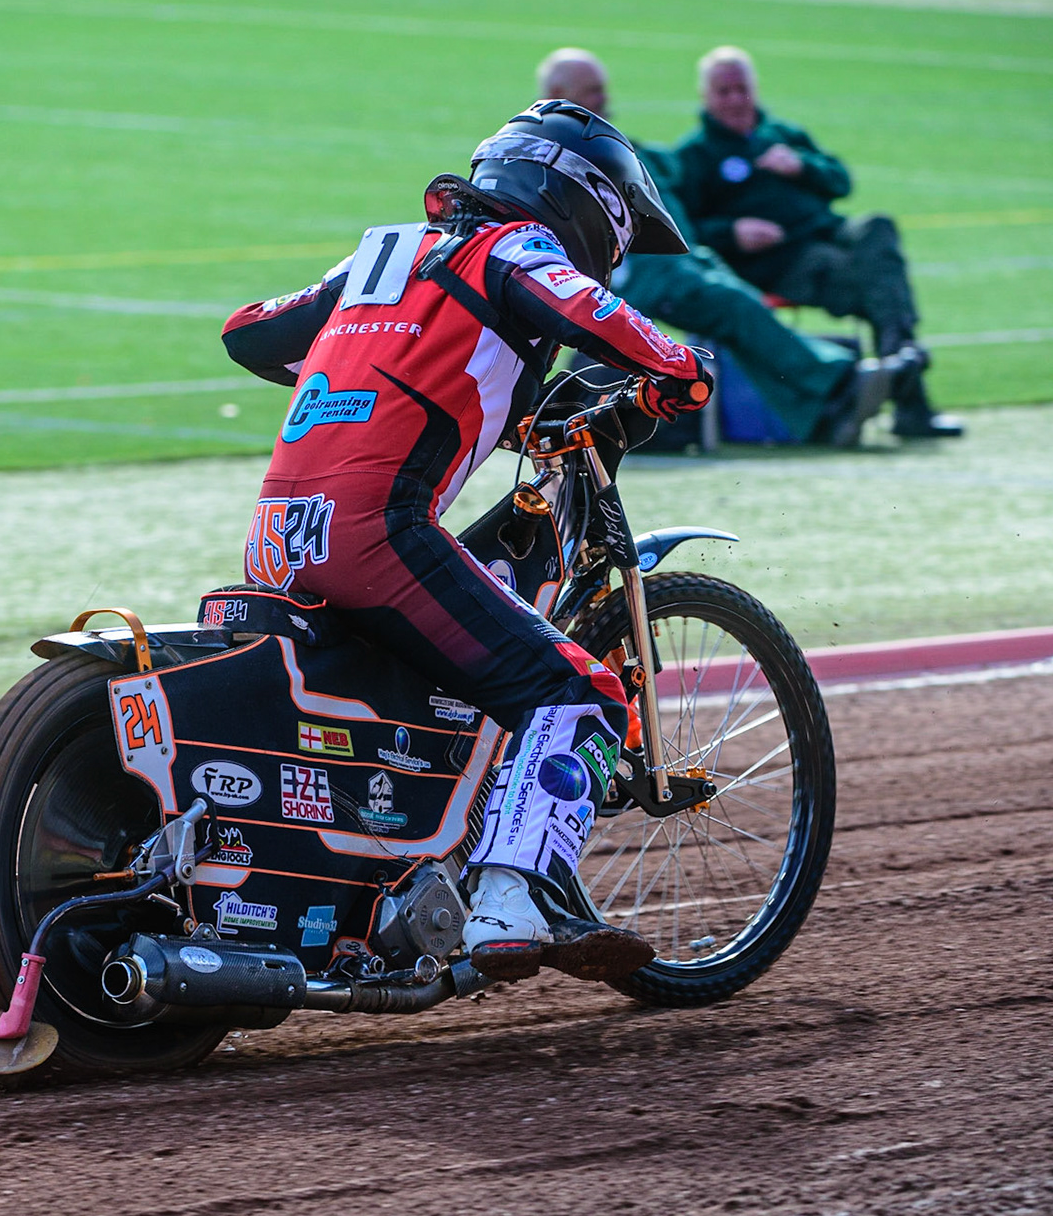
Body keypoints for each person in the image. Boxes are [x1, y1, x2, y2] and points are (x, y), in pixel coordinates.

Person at [221, 102, 712, 983]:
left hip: (277, 537)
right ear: (587, 203)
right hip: (376, 532)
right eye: (620, 230)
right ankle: (509, 901)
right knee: (581, 694)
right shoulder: (514, 251)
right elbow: (599, 319)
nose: (617, 250)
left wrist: (365, 353)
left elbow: (250, 333)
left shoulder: (385, 255)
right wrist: (682, 370)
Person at [537, 47, 896, 446]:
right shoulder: (548, 147)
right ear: (558, 91)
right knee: (730, 303)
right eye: (593, 91)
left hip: (686, 261)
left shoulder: (609, 141)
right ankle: (840, 382)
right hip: (634, 273)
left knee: (740, 303)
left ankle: (824, 415)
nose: (604, 99)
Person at [674, 46, 962, 439]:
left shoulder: (784, 135)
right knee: (879, 287)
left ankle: (897, 364)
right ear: (705, 96)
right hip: (781, 259)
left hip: (831, 232)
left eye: (742, 89)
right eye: (724, 91)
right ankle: (910, 391)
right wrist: (734, 231)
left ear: (755, 89)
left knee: (878, 228)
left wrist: (801, 166)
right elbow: (685, 230)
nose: (735, 99)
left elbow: (841, 181)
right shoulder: (695, 156)